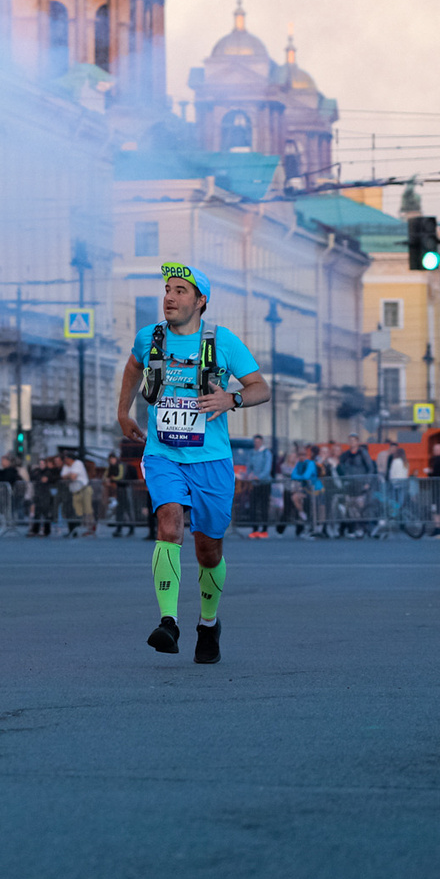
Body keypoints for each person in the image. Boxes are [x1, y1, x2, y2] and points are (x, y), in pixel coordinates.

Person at [118, 261, 270, 665]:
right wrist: (123, 413)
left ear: (201, 301)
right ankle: (168, 621)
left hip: (212, 460)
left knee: (208, 550)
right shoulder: (149, 338)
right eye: (167, 289)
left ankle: (208, 622)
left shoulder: (223, 342)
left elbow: (261, 388)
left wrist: (231, 399)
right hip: (163, 453)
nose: (170, 296)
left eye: (181, 291)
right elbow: (134, 367)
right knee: (168, 521)